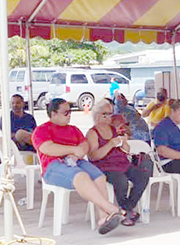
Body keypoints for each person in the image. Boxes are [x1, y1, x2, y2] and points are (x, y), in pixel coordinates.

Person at [32, 98, 121, 235]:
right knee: (81, 176)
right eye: (65, 112)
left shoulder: (73, 129)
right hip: (53, 166)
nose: (70, 114)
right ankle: (111, 208)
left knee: (99, 177)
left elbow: (85, 145)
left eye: (70, 111)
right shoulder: (42, 130)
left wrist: (78, 152)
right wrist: (72, 150)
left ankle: (103, 217)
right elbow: (47, 148)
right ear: (53, 114)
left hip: (76, 161)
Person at [87, 99, 151, 226]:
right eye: (106, 113)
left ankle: (127, 209)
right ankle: (127, 211)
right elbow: (93, 156)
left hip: (122, 164)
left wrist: (124, 142)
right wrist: (110, 144)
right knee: (121, 180)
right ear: (97, 115)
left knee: (142, 176)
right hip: (104, 166)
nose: (110, 116)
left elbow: (126, 150)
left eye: (111, 113)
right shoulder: (92, 133)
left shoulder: (114, 129)